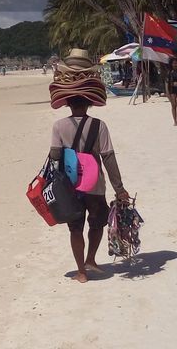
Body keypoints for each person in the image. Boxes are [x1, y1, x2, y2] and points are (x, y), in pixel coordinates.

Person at [48, 49, 131, 283]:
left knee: (76, 228)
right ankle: (91, 260)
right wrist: (119, 188)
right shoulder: (100, 125)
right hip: (95, 184)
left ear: (68, 103)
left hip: (71, 185)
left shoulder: (59, 126)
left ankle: (81, 272)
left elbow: (55, 156)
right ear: (88, 103)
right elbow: (108, 157)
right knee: (97, 223)